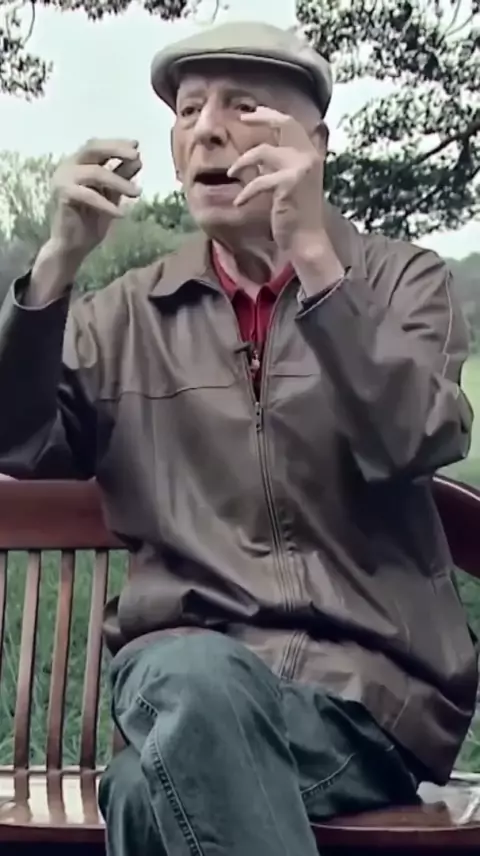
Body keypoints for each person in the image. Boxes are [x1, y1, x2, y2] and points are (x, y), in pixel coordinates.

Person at [0, 19, 477, 856]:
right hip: (180, 667)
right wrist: (56, 267)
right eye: (188, 111)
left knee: (147, 790)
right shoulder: (125, 316)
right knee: (196, 685)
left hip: (366, 698)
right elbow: (18, 441)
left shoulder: (404, 282)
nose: (207, 130)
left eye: (244, 106)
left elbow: (411, 437)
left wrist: (314, 259)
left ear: (314, 146)